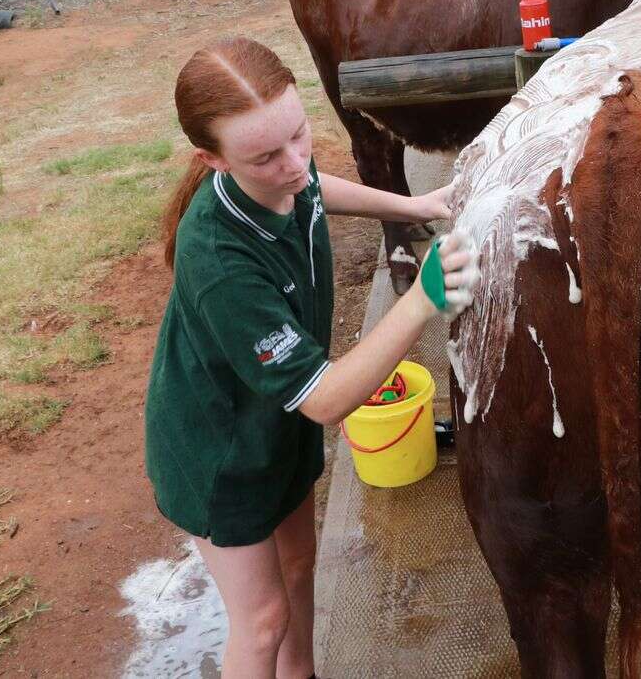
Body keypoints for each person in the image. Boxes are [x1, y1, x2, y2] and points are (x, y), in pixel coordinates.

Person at [144, 37, 477, 679]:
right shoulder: (220, 261)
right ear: (211, 160)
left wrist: (416, 207)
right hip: (221, 453)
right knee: (263, 619)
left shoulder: (283, 177)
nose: (296, 163)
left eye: (300, 135)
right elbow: (326, 400)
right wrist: (421, 301)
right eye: (267, 155)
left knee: (300, 570)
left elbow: (319, 189)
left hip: (276, 421)